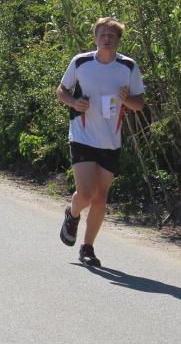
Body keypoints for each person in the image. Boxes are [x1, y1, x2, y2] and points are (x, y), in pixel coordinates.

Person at [56, 17, 145, 268]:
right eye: (103, 35)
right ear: (95, 38)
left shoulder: (128, 67)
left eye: (112, 36)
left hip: (110, 140)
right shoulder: (81, 62)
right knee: (85, 193)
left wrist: (127, 100)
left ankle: (87, 247)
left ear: (118, 41)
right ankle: (72, 214)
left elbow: (139, 104)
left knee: (100, 198)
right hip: (82, 136)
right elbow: (61, 90)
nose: (107, 39)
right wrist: (74, 103)